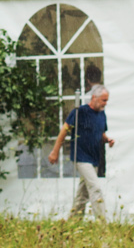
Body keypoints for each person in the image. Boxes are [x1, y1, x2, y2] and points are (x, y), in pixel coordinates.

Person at [48, 84, 113, 222]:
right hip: (81, 157)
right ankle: (103, 224)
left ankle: (73, 221)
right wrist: (55, 151)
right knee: (95, 188)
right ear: (94, 97)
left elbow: (101, 133)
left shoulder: (102, 114)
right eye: (104, 100)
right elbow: (64, 131)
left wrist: (108, 140)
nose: (105, 103)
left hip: (94, 158)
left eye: (107, 100)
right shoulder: (79, 112)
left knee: (83, 194)